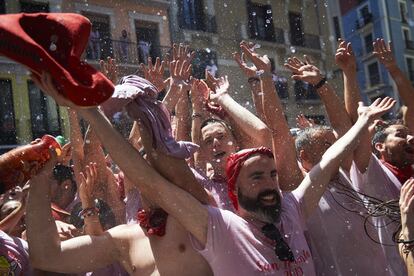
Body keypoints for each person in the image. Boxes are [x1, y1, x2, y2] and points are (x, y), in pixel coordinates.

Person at [27, 39, 395, 275]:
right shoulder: (219, 228)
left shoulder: (291, 211)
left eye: (270, 174)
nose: (271, 183)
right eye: (258, 177)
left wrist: (360, 122)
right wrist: (86, 116)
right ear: (232, 189)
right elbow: (145, 174)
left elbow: (328, 159)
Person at [344, 38, 413, 275]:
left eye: (410, 134)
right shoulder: (373, 172)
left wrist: (394, 69)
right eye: (400, 135)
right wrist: (349, 73)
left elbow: (412, 106)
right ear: (380, 147)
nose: (410, 139)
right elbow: (352, 127)